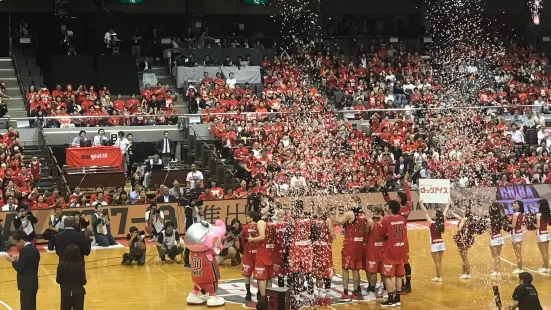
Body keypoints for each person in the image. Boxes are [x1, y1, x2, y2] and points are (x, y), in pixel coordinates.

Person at [381, 174, 412, 293]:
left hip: (395, 237)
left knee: (398, 261)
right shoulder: (407, 207)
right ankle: (407, 284)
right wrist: (405, 183)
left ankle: (401, 282)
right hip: (404, 237)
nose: (396, 197)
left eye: (397, 196)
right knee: (405, 261)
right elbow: (408, 196)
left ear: (400, 199)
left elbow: (389, 201)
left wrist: (384, 190)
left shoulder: (397, 210)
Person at [335, 197, 366, 301]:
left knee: (345, 268)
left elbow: (338, 222)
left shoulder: (350, 213)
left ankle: (345, 292)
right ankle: (356, 292)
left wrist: (337, 212)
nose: (349, 203)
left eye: (351, 202)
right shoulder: (363, 214)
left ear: (356, 203)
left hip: (350, 243)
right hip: (359, 243)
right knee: (356, 269)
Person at [378, 200, 407, 308]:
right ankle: (397, 298)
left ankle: (390, 299)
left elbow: (380, 233)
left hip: (390, 251)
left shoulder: (387, 219)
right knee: (399, 275)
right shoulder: (402, 219)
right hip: (400, 250)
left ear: (390, 209)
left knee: (387, 276)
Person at [4, 231, 40, 310]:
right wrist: (18, 260)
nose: (17, 245)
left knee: (26, 307)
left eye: (17, 242)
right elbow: (28, 263)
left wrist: (12, 261)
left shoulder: (24, 251)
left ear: (21, 241)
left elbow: (20, 268)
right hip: (33, 283)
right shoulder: (34, 249)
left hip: (26, 285)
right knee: (32, 307)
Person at [248, 203, 274, 304]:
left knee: (261, 278)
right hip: (269, 252)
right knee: (268, 277)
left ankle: (263, 300)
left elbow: (262, 237)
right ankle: (270, 298)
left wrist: (251, 239)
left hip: (262, 252)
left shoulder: (260, 222)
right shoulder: (270, 223)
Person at [311, 205, 335, 306]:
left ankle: (320, 296)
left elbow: (310, 235)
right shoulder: (328, 220)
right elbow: (332, 234)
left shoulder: (313, 221)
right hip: (325, 248)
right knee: (327, 271)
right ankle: (328, 297)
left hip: (316, 248)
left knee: (318, 273)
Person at [419, 200, 449, 282]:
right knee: (439, 261)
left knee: (437, 262)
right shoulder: (441, 223)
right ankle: (439, 276)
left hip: (434, 244)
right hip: (441, 243)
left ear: (436, 216)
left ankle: (439, 277)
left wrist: (421, 204)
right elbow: (445, 212)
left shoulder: (432, 223)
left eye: (434, 213)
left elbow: (425, 212)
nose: (433, 213)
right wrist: (448, 204)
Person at [57, 244, 86, 310]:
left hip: (65, 293)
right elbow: (83, 282)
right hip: (78, 293)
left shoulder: (61, 265)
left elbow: (58, 280)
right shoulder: (80, 266)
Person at [364, 204, 385, 300]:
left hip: (373, 249)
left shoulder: (370, 221)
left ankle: (372, 292)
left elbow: (366, 234)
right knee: (383, 272)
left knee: (373, 272)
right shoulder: (384, 221)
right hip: (383, 249)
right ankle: (384, 291)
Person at [450, 203, 475, 279]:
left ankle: (468, 274)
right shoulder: (465, 218)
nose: (462, 210)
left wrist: (458, 229)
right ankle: (463, 272)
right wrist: (452, 212)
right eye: (462, 208)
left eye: (464, 209)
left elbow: (459, 229)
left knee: (464, 257)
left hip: (462, 239)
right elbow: (459, 218)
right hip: (465, 239)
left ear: (467, 211)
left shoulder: (464, 219)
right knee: (463, 257)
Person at [241, 211, 259, 301]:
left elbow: (243, 243)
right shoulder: (260, 227)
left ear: (252, 218)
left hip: (248, 253)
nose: (246, 218)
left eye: (248, 217)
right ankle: (260, 293)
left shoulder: (244, 228)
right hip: (258, 254)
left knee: (247, 274)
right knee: (259, 274)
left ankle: (248, 293)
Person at [489, 202, 507, 277]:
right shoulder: (500, 218)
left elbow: (490, 231)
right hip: (500, 237)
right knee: (498, 256)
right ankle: (497, 271)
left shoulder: (491, 220)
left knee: (495, 256)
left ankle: (496, 271)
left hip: (494, 238)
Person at [535, 199, 550, 274]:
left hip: (540, 234)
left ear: (541, 205)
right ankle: (545, 265)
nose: (537, 205)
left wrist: (531, 223)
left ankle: (546, 268)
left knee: (543, 252)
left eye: (538, 204)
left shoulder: (538, 214)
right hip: (546, 233)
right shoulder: (547, 213)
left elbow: (537, 226)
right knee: (546, 252)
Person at [510, 200, 525, 274]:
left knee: (518, 252)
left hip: (516, 234)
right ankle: (519, 267)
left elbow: (513, 226)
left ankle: (520, 268)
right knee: (518, 252)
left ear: (519, 206)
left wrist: (505, 224)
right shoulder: (521, 213)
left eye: (515, 203)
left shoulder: (515, 214)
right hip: (519, 233)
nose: (513, 204)